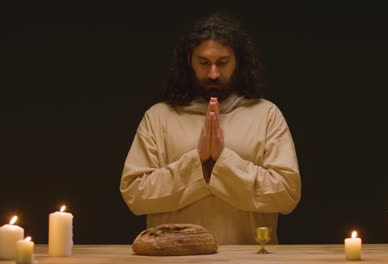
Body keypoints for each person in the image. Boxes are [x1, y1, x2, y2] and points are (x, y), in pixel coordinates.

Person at [120, 12, 301, 245]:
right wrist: (198, 161)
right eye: (204, 63)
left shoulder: (266, 114)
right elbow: (135, 195)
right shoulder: (158, 117)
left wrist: (221, 161)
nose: (213, 73)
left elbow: (287, 194)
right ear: (189, 61)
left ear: (238, 62)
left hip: (248, 260)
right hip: (174, 259)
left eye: (223, 63)